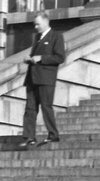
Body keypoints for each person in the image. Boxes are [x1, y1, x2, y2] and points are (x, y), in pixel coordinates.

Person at [19, 11, 66, 148]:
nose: (36, 27)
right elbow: (36, 56)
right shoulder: (37, 37)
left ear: (46, 21)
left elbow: (60, 57)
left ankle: (53, 135)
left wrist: (41, 58)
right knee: (30, 108)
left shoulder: (56, 36)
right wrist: (30, 59)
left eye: (38, 24)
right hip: (32, 77)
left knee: (46, 107)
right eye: (34, 25)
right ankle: (29, 137)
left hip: (46, 78)